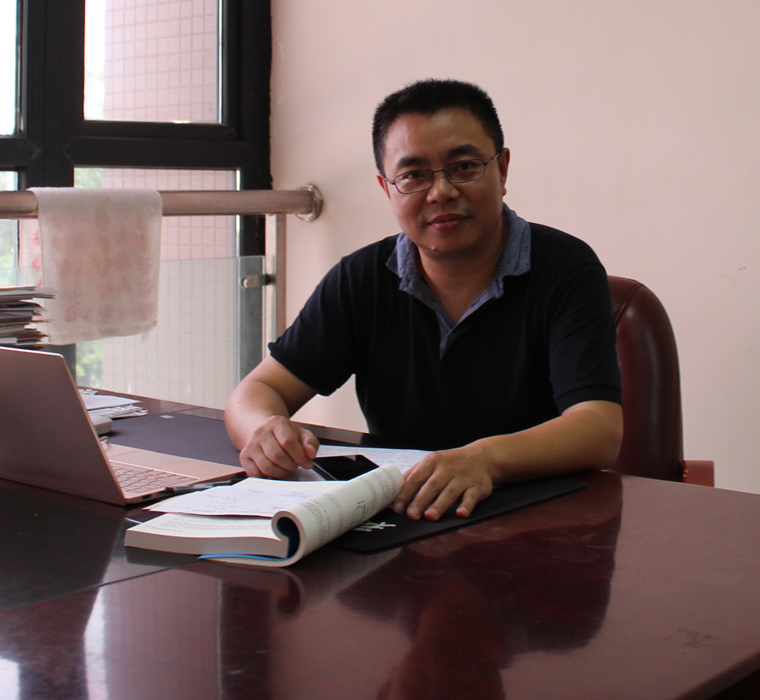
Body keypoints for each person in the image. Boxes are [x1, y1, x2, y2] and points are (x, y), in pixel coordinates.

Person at [225, 79, 623, 522]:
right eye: (414, 175)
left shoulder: (566, 268)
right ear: (387, 189)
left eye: (464, 166)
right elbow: (257, 391)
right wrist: (263, 430)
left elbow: (598, 427)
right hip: (405, 520)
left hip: (538, 522)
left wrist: (484, 459)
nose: (442, 192)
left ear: (502, 169)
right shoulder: (361, 279)